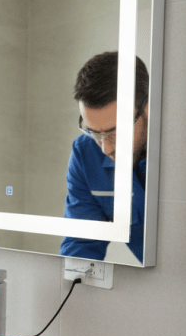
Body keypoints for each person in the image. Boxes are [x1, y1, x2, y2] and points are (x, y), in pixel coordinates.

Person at [60, 51, 150, 262]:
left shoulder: (185, 153)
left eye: (114, 132)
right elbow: (81, 243)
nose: (105, 148)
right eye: (94, 132)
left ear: (147, 108)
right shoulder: (85, 154)